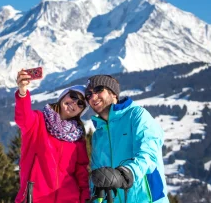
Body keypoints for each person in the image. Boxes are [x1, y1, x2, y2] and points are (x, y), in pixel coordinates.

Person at [85, 75, 169, 203]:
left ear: (113, 93)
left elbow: (148, 154)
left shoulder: (137, 115)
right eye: (88, 94)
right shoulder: (99, 134)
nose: (93, 97)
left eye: (98, 90)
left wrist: (125, 174)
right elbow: (97, 177)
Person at [14, 69, 90, 203]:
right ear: (63, 96)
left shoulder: (77, 139)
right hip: (33, 198)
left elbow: (81, 175)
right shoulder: (38, 121)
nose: (74, 103)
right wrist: (23, 92)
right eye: (73, 96)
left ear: (81, 111)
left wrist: (85, 200)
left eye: (80, 103)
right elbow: (23, 117)